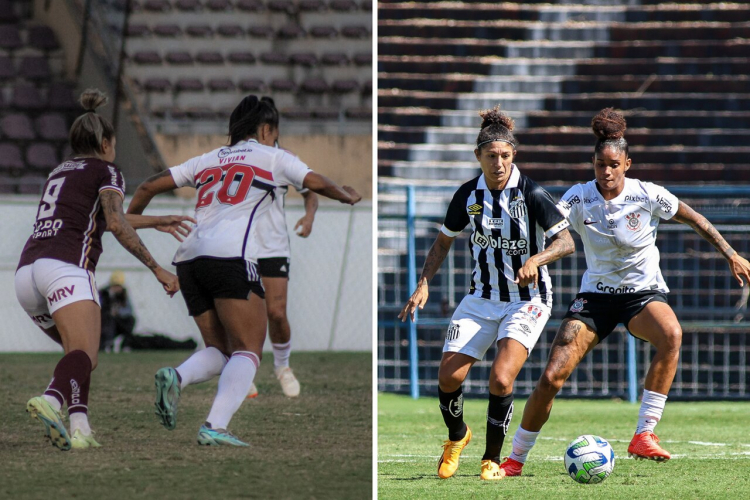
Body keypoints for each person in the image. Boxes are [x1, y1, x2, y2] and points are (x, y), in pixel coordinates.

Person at [503, 108, 750, 477]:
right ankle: (515, 459)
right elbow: (553, 231)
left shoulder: (648, 195)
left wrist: (731, 253)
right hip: (596, 298)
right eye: (600, 164)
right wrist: (534, 259)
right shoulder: (578, 197)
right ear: (593, 162)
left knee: (671, 333)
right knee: (552, 377)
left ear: (627, 164)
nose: (606, 172)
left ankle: (644, 434)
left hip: (642, 294)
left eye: (614, 164)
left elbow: (694, 218)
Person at [126, 94, 362, 446]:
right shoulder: (272, 156)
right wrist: (345, 195)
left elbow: (148, 186)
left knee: (221, 351)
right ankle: (214, 426)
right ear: (266, 129)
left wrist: (134, 220)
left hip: (188, 258)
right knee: (249, 350)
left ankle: (176, 376)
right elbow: (315, 182)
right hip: (231, 257)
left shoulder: (206, 159)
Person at [398, 105, 574, 480]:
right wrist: (424, 281)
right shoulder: (467, 196)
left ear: (514, 155)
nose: (499, 163)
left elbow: (566, 242)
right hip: (480, 297)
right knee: (448, 378)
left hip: (528, 300)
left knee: (500, 379)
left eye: (505, 156)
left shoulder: (532, 194)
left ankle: (491, 459)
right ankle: (458, 436)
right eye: (491, 156)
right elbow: (442, 243)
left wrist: (536, 260)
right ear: (478, 156)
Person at [15, 89, 192, 450]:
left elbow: (103, 216)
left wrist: (155, 219)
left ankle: (80, 429)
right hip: (65, 270)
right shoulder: (106, 169)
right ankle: (51, 400)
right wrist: (157, 268)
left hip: (27, 274)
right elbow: (114, 222)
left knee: (78, 356)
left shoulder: (59, 171)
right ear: (107, 142)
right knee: (85, 354)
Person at [246, 98, 319, 399]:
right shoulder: (242, 157)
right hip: (242, 247)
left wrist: (310, 215)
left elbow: (310, 191)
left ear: (269, 131)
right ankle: (244, 372)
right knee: (248, 315)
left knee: (276, 312)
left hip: (274, 245)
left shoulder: (284, 158)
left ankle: (282, 367)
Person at [99, 270, 135, 352]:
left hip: (118, 321)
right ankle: (107, 343)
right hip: (104, 322)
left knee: (131, 320)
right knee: (109, 319)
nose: (117, 288)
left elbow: (129, 310)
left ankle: (126, 345)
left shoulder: (123, 295)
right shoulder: (103, 293)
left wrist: (118, 312)